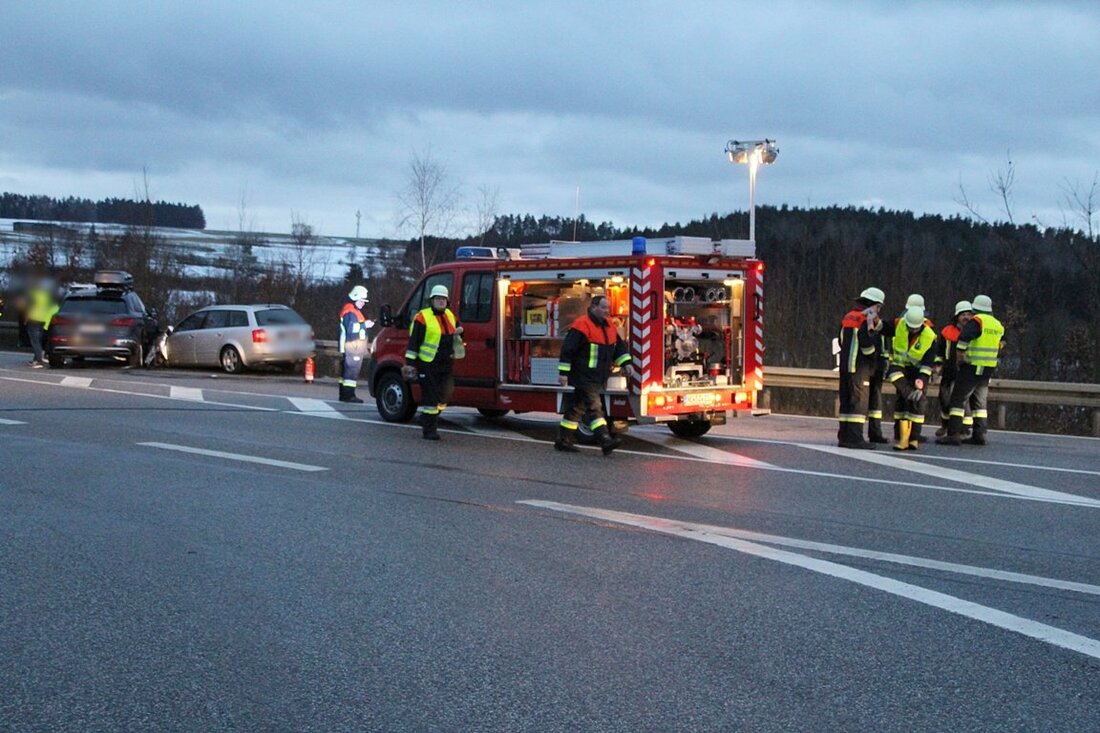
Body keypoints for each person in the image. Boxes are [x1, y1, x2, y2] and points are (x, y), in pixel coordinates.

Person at [554, 294, 632, 456]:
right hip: (583, 376)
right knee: (595, 407)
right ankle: (605, 440)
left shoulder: (610, 326)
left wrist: (626, 363)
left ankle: (563, 440)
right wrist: (563, 373)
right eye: (603, 307)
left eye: (608, 307)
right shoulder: (581, 325)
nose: (607, 311)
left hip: (599, 377)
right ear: (593, 307)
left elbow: (618, 348)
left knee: (577, 408)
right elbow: (568, 350)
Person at [937, 294, 1005, 446]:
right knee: (979, 403)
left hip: (972, 366)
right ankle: (979, 434)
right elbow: (1003, 343)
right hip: (987, 368)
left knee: (957, 399)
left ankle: (953, 434)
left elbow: (964, 338)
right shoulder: (997, 324)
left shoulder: (977, 321)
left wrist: (960, 355)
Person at [402, 284, 462, 440]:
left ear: (447, 301)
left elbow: (457, 330)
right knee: (430, 398)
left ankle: (425, 418)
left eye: (443, 299)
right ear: (432, 300)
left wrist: (461, 332)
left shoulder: (450, 315)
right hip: (427, 363)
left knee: (446, 394)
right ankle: (429, 430)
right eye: (438, 299)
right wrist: (410, 364)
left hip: (445, 363)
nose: (441, 301)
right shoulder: (422, 317)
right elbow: (413, 343)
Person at [837, 287, 885, 449]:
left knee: (846, 402)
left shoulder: (848, 316)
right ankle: (855, 438)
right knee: (859, 403)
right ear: (873, 305)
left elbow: (840, 340)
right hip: (859, 367)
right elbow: (866, 345)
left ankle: (844, 437)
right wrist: (874, 358)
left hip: (845, 366)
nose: (878, 311)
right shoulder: (865, 319)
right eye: (878, 307)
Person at [886, 305, 937, 450]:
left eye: (915, 328)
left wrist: (922, 380)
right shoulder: (900, 324)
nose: (912, 330)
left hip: (918, 371)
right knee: (902, 399)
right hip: (900, 366)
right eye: (910, 327)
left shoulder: (930, 336)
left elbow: (928, 363)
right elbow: (883, 327)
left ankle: (914, 438)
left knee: (918, 403)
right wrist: (875, 322)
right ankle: (901, 436)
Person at [934, 301, 974, 437]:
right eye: (963, 314)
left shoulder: (974, 331)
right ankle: (945, 425)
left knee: (964, 401)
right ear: (957, 316)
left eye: (969, 314)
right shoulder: (947, 331)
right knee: (944, 398)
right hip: (949, 369)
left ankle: (964, 428)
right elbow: (940, 350)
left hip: (966, 370)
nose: (966, 317)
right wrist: (938, 364)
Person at [338, 285, 372, 403]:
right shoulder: (351, 312)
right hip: (352, 347)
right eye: (362, 301)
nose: (363, 303)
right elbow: (351, 329)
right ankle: (349, 395)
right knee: (351, 372)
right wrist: (365, 325)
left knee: (346, 372)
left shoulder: (354, 311)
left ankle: (344, 394)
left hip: (352, 347)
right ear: (355, 298)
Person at [25, 279, 58, 368]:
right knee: (38, 340)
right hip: (42, 319)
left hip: (33, 318)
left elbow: (29, 307)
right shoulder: (45, 295)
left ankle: (39, 360)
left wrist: (26, 318)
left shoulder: (32, 294)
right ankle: (36, 359)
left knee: (35, 341)